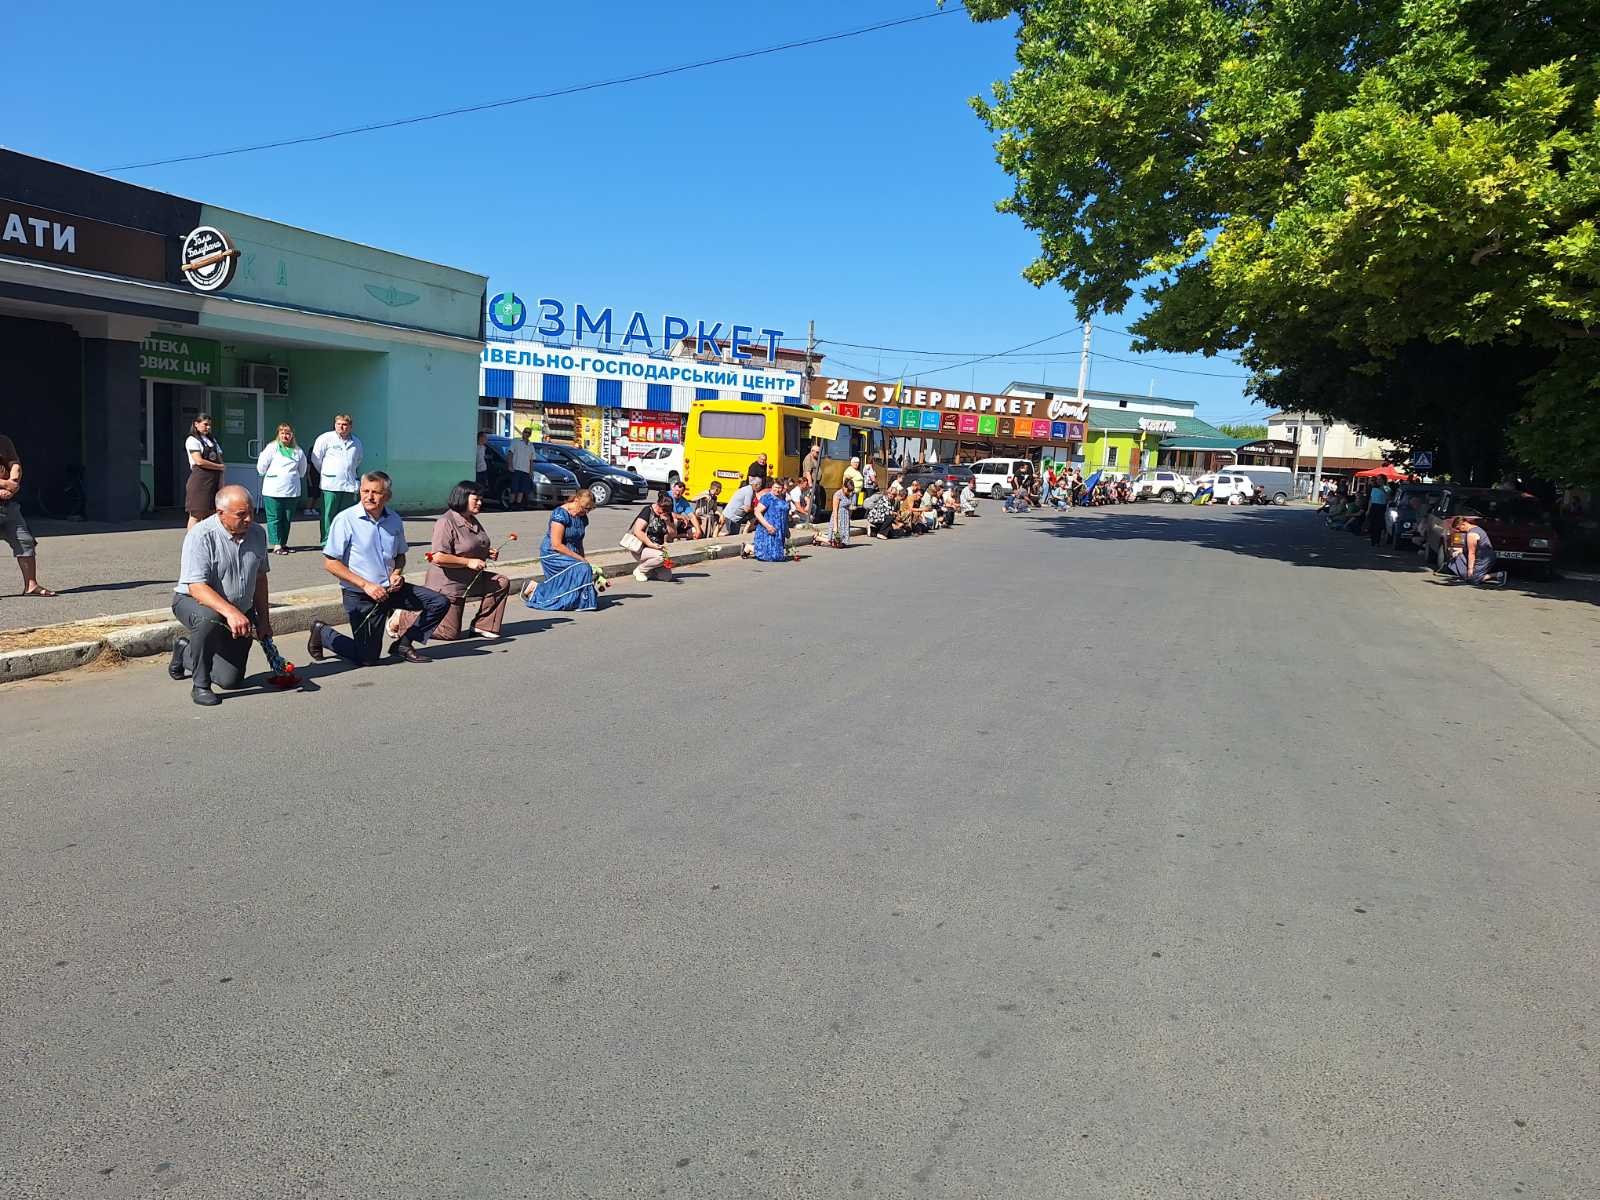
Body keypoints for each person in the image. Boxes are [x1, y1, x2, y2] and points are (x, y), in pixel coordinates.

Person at [308, 471, 448, 666]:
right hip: (361, 595)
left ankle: (404, 644)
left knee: (439, 602)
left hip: (391, 589)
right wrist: (366, 585)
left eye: (376, 492)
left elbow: (400, 555)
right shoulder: (346, 519)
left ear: (387, 496)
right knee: (367, 657)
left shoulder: (394, 519)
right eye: (365, 491)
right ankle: (322, 633)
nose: (369, 496)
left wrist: (397, 573)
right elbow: (331, 563)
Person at [168, 485, 271, 706]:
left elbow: (260, 579)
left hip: (239, 610)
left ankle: (185, 651)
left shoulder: (258, 533)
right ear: (220, 513)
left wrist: (264, 621)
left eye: (251, 512)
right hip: (193, 602)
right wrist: (231, 612)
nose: (248, 519)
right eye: (241, 514)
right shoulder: (201, 535)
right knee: (210, 618)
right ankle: (200, 685)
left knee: (230, 680)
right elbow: (196, 587)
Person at [392, 481, 509, 641]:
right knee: (449, 633)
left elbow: (469, 546)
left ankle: (483, 625)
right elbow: (438, 557)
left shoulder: (472, 519)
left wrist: (487, 552)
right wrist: (468, 562)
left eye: (481, 499)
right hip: (449, 585)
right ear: (463, 498)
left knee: (501, 582)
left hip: (471, 580)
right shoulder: (446, 522)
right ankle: (404, 617)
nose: (480, 503)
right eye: (476, 499)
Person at [526, 489, 601, 611]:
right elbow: (556, 545)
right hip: (553, 554)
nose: (586, 511)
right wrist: (581, 560)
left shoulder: (582, 518)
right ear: (576, 500)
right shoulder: (560, 514)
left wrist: (583, 559)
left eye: (589, 509)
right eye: (584, 508)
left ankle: (574, 601)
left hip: (571, 553)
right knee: (582, 568)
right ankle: (538, 590)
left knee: (584, 568)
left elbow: (579, 542)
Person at [0, 432, 55, 596]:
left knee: (25, 541)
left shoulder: (4, 441)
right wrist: (5, 485)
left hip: (9, 506)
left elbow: (15, 464)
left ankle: (31, 586)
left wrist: (13, 483)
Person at [309, 414, 363, 543]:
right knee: (328, 515)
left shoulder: (356, 442)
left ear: (350, 426)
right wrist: (328, 472)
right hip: (330, 484)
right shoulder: (325, 438)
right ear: (334, 425)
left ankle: (342, 541)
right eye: (338, 424)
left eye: (344, 424)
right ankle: (327, 541)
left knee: (346, 515)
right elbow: (316, 459)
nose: (341, 427)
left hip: (349, 484)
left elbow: (358, 460)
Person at [255, 423, 308, 555]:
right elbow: (261, 466)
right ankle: (277, 545)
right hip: (273, 490)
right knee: (274, 518)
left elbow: (302, 471)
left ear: (292, 435)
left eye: (288, 433)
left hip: (291, 491)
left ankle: (283, 543)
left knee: (287, 518)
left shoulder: (298, 451)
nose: (285, 436)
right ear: (278, 434)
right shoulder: (272, 448)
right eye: (282, 433)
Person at [183, 414, 226, 530]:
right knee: (197, 514)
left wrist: (221, 480)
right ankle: (192, 539)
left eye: (210, 425)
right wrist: (219, 467)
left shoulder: (212, 440)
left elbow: (220, 460)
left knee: (212, 515)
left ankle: (208, 540)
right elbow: (199, 461)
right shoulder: (192, 440)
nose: (208, 427)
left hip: (214, 481)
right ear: (196, 424)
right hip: (200, 482)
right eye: (205, 424)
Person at [626, 493, 676, 581]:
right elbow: (637, 531)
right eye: (662, 510)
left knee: (666, 577)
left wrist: (668, 522)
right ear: (658, 504)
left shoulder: (667, 514)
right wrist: (650, 544)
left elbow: (673, 534)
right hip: (641, 547)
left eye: (666, 511)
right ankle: (640, 570)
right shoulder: (648, 510)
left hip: (658, 549)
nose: (663, 512)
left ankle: (649, 569)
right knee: (662, 557)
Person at [1444, 513, 1505, 585]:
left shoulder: (1472, 534)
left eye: (1458, 528)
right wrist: (1459, 550)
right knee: (1455, 557)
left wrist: (1470, 569)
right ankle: (1470, 576)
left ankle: (1499, 575)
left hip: (1483, 559)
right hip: (1481, 556)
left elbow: (1471, 553)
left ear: (1463, 524)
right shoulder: (1475, 528)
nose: (1458, 530)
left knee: (1473, 580)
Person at [754, 476, 794, 560]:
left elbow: (785, 516)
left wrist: (786, 529)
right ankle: (748, 548)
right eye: (776, 487)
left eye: (780, 488)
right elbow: (757, 512)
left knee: (777, 557)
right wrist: (767, 526)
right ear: (772, 487)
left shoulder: (783, 498)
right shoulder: (767, 498)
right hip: (768, 529)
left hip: (779, 530)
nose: (777, 490)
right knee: (767, 556)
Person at [504, 427, 537, 510]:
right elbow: (510, 454)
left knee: (522, 490)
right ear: (522, 432)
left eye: (529, 433)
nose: (527, 434)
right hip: (516, 469)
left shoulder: (531, 445)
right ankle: (510, 505)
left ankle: (518, 505)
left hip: (526, 471)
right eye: (526, 432)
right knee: (514, 489)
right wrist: (510, 465)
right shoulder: (516, 441)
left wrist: (531, 471)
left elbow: (531, 460)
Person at [1367, 479, 1391, 545]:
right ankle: (1373, 539)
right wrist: (1368, 509)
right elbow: (1371, 499)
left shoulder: (1386, 487)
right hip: (1374, 506)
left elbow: (1389, 497)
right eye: (1378, 479)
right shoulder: (1374, 488)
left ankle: (1377, 540)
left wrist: (1384, 491)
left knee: (1379, 524)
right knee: (1372, 523)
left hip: (1381, 506)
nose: (1378, 480)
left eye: (1380, 479)